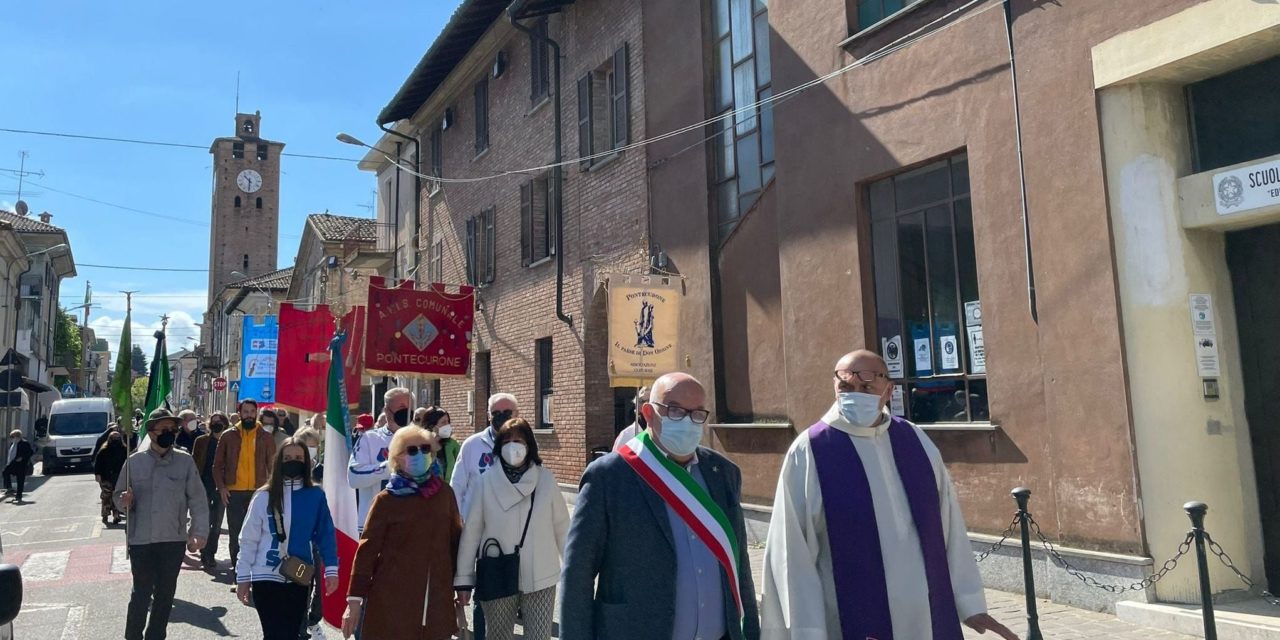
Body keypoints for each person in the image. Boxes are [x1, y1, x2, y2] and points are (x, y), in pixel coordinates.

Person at [759, 350, 1017, 640]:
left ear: (888, 390)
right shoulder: (811, 450)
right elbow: (792, 551)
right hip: (851, 621)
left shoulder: (915, 440)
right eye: (846, 387)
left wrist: (969, 603)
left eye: (867, 387)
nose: (855, 394)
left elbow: (948, 525)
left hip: (928, 616)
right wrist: (805, 633)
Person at [560, 372, 760, 640]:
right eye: (675, 410)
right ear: (649, 413)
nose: (688, 421)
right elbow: (578, 576)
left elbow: (740, 565)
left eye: (697, 413)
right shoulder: (609, 477)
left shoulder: (722, 473)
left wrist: (751, 630)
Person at [342, 426, 462, 640]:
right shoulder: (386, 500)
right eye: (412, 450)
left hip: (436, 601)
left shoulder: (445, 494)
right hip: (392, 603)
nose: (420, 454)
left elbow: (455, 542)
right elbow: (367, 551)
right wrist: (354, 600)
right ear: (397, 458)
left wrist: (462, 585)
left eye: (425, 448)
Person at [455, 418, 568, 640]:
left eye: (519, 440)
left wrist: (574, 570)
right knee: (498, 636)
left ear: (529, 445)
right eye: (507, 440)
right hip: (498, 572)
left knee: (539, 636)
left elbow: (563, 527)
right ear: (498, 446)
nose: (513, 445)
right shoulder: (485, 483)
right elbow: (472, 534)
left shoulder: (546, 479)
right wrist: (464, 578)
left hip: (541, 575)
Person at [114, 407, 209, 640]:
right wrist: (124, 501)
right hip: (141, 539)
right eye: (164, 429)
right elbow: (117, 497)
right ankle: (133, 636)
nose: (170, 433)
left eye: (173, 429)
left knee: (165, 594)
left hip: (173, 539)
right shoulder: (134, 462)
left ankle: (156, 636)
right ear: (152, 431)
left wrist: (199, 532)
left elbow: (197, 498)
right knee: (141, 593)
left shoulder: (185, 461)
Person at [236, 438, 340, 640]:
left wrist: (332, 569)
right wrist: (243, 577)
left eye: (299, 457)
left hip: (298, 575)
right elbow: (248, 539)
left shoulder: (315, 495)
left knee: (291, 634)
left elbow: (326, 534)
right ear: (279, 461)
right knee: (274, 634)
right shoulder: (263, 496)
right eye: (288, 457)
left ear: (307, 461)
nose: (294, 461)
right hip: (264, 576)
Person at [451, 393, 517, 640]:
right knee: (483, 595)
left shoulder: (524, 444)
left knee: (506, 594)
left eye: (507, 412)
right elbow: (457, 487)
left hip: (512, 533)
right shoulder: (472, 445)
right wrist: (457, 523)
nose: (501, 417)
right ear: (488, 414)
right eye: (496, 413)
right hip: (477, 533)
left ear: (516, 415)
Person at [213, 398, 277, 569]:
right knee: (236, 533)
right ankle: (238, 572)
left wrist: (271, 489)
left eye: (252, 412)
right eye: (245, 412)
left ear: (256, 413)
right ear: (240, 413)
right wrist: (222, 488)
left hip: (259, 492)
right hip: (234, 492)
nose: (249, 415)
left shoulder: (266, 436)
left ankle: (255, 572)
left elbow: (272, 466)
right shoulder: (228, 435)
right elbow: (217, 465)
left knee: (258, 533)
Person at [347, 387, 415, 535]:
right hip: (374, 525)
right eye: (402, 407)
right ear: (387, 410)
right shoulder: (369, 439)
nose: (407, 412)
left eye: (410, 408)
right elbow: (353, 477)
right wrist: (389, 467)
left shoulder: (420, 440)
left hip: (411, 525)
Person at [289, 425, 327, 640]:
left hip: (320, 537)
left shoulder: (324, 470)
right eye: (307, 446)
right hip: (300, 538)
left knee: (321, 587)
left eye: (314, 446)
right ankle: (300, 627)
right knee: (302, 583)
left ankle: (314, 618)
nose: (311, 450)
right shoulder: (290, 470)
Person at [192, 412, 230, 570]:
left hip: (222, 487)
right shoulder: (201, 441)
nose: (216, 424)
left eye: (219, 421)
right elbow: (195, 462)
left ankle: (211, 553)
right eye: (213, 422)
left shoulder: (230, 441)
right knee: (205, 521)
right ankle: (204, 552)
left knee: (217, 522)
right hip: (204, 485)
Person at [417, 407, 460, 482]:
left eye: (448, 422)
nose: (448, 425)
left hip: (449, 491)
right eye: (443, 422)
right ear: (432, 426)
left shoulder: (452, 445)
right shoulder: (420, 446)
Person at [94, 431, 128, 524]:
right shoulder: (103, 450)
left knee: (116, 496)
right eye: (113, 438)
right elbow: (98, 464)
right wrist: (97, 474)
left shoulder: (124, 450)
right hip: (106, 478)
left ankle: (116, 515)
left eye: (117, 438)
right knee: (106, 497)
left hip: (119, 477)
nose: (115, 440)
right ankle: (105, 514)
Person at [611, 386, 650, 452]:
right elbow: (617, 459)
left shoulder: (662, 433)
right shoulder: (627, 434)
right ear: (637, 405)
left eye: (651, 401)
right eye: (643, 401)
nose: (648, 405)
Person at [3, 429, 34, 503]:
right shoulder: (13, 444)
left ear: (17, 436)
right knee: (5, 472)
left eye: (12, 436)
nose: (12, 438)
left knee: (20, 481)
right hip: (13, 463)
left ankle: (18, 497)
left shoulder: (24, 443)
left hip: (21, 465)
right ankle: (9, 488)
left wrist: (22, 457)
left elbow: (30, 452)